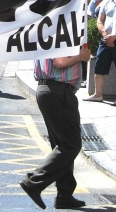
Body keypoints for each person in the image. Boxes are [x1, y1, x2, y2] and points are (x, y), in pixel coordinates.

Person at [20, 46, 93, 210]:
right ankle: (34, 182)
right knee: (70, 144)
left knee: (62, 144)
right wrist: (80, 56)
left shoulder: (48, 31)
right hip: (59, 91)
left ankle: (64, 195)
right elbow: (59, 62)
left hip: (51, 91)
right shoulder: (61, 34)